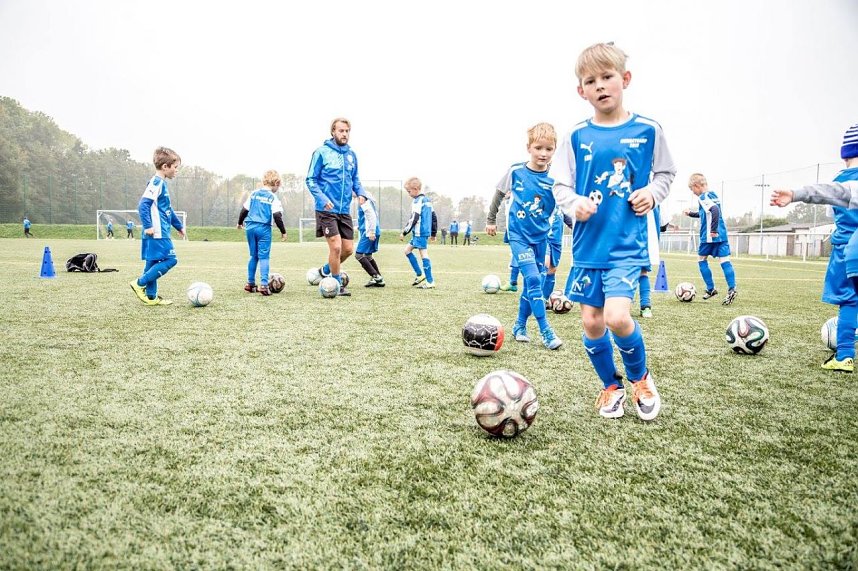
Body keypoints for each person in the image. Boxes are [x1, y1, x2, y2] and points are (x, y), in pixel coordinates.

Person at [549, 42, 676, 421]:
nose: (601, 85)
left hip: (626, 244)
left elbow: (666, 173)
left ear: (625, 79)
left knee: (617, 318)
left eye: (607, 77)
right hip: (589, 247)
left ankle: (640, 379)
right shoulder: (576, 137)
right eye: (591, 80)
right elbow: (560, 187)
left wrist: (652, 194)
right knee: (590, 322)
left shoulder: (648, 129)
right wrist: (575, 205)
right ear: (581, 90)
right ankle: (610, 387)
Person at [770, 123, 858, 372]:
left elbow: (829, 196)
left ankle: (844, 356)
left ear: (846, 154)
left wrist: (795, 194)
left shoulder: (844, 182)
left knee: (850, 301)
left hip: (847, 250)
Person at [486, 122, 564, 350]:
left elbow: (565, 206)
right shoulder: (516, 171)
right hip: (519, 236)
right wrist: (491, 220)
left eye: (548, 149)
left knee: (534, 283)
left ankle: (520, 325)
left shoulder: (556, 178)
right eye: (539, 148)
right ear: (529, 147)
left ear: (554, 150)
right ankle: (546, 331)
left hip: (541, 237)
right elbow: (499, 193)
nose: (543, 153)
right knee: (532, 279)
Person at [306, 117, 367, 297]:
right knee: (336, 247)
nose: (345, 134)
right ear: (333, 131)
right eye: (341, 131)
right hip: (326, 209)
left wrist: (361, 193)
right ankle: (336, 283)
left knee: (348, 249)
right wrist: (323, 198)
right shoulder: (321, 152)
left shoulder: (351, 155)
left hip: (343, 210)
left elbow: (355, 179)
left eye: (347, 131)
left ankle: (325, 270)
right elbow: (311, 179)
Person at [129, 147, 185, 306]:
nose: (176, 171)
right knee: (171, 259)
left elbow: (167, 209)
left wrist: (178, 225)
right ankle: (139, 283)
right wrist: (148, 226)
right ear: (165, 167)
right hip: (157, 231)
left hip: (159, 230)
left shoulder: (161, 184)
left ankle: (151, 297)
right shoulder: (157, 182)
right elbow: (143, 205)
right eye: (175, 167)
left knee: (152, 262)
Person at [683, 173, 738, 305]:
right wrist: (691, 213)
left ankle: (711, 288)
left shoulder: (703, 197)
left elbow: (714, 211)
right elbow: (706, 213)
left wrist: (713, 230)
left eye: (692, 189)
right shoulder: (713, 195)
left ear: (696, 186)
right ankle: (732, 288)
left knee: (701, 260)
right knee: (725, 261)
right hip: (722, 235)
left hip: (709, 236)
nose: (693, 192)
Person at [237, 169, 287, 296]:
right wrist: (283, 231)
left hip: (250, 227)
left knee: (254, 256)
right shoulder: (273, 197)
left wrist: (239, 223)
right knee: (264, 257)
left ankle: (250, 284)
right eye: (279, 185)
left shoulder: (253, 194)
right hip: (263, 228)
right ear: (276, 182)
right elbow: (277, 216)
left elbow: (244, 210)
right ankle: (264, 285)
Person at [400, 177, 438, 289]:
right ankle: (420, 275)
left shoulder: (417, 201)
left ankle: (430, 281)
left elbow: (414, 218)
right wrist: (433, 233)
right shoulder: (427, 201)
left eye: (409, 191)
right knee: (407, 250)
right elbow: (434, 217)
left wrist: (404, 232)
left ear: (416, 189)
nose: (408, 193)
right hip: (421, 232)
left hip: (419, 233)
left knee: (423, 254)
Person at [356, 190, 385, 287]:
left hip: (369, 232)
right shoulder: (370, 201)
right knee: (368, 256)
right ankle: (379, 279)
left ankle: (376, 276)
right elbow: (366, 217)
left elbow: (371, 216)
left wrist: (371, 231)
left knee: (359, 255)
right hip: (373, 230)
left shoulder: (364, 201)